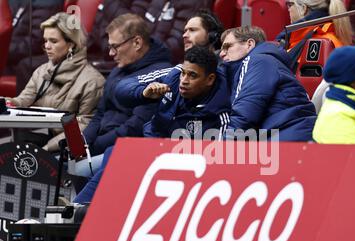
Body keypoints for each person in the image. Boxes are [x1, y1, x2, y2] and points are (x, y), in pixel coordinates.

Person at [74, 46, 231, 204]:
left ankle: (79, 214)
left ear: (210, 79)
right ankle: (77, 214)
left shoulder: (219, 113)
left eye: (192, 76)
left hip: (173, 170)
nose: (184, 81)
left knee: (113, 168)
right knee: (96, 165)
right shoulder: (173, 75)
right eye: (184, 73)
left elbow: (216, 163)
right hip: (148, 149)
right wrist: (143, 93)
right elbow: (122, 87)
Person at [7, 12, 105, 152]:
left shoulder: (93, 81)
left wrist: (45, 150)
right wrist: (9, 102)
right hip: (48, 144)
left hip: (69, 152)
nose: (47, 46)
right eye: (45, 41)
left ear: (71, 44)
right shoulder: (42, 71)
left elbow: (83, 128)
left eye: (53, 41)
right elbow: (25, 98)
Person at [82, 13, 172, 158]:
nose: (111, 53)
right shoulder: (118, 70)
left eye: (115, 47)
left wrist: (92, 149)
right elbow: (99, 114)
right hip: (98, 146)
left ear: (137, 43)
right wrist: (83, 143)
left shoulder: (160, 75)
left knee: (71, 170)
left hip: (125, 152)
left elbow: (135, 127)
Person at [220, 26, 317, 141]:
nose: (221, 54)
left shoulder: (258, 61)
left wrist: (223, 147)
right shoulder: (266, 61)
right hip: (289, 135)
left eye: (228, 47)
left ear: (249, 44)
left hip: (288, 138)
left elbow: (246, 112)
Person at [279, 0, 353, 69]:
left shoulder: (321, 43)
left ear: (304, 9)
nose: (288, 10)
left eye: (290, 5)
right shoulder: (330, 37)